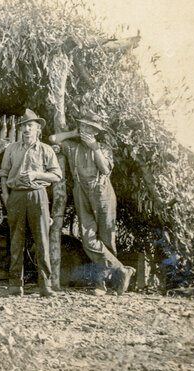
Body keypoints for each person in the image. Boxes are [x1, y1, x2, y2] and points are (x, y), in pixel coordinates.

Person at [53, 110, 134, 294]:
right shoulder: (73, 147)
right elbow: (53, 138)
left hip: (102, 191)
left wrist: (95, 148)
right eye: (82, 126)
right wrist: (72, 133)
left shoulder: (103, 148)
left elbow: (105, 170)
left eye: (89, 128)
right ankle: (121, 269)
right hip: (81, 192)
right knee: (88, 239)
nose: (84, 130)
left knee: (106, 238)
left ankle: (103, 284)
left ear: (96, 131)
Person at [0, 109, 63, 297]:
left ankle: (45, 284)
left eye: (30, 126)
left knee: (42, 239)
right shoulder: (11, 149)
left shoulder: (46, 150)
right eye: (23, 126)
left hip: (38, 195)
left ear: (38, 129)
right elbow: (3, 174)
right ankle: (15, 284)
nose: (26, 129)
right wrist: (6, 197)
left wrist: (37, 174)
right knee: (16, 240)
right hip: (16, 196)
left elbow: (57, 175)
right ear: (19, 129)